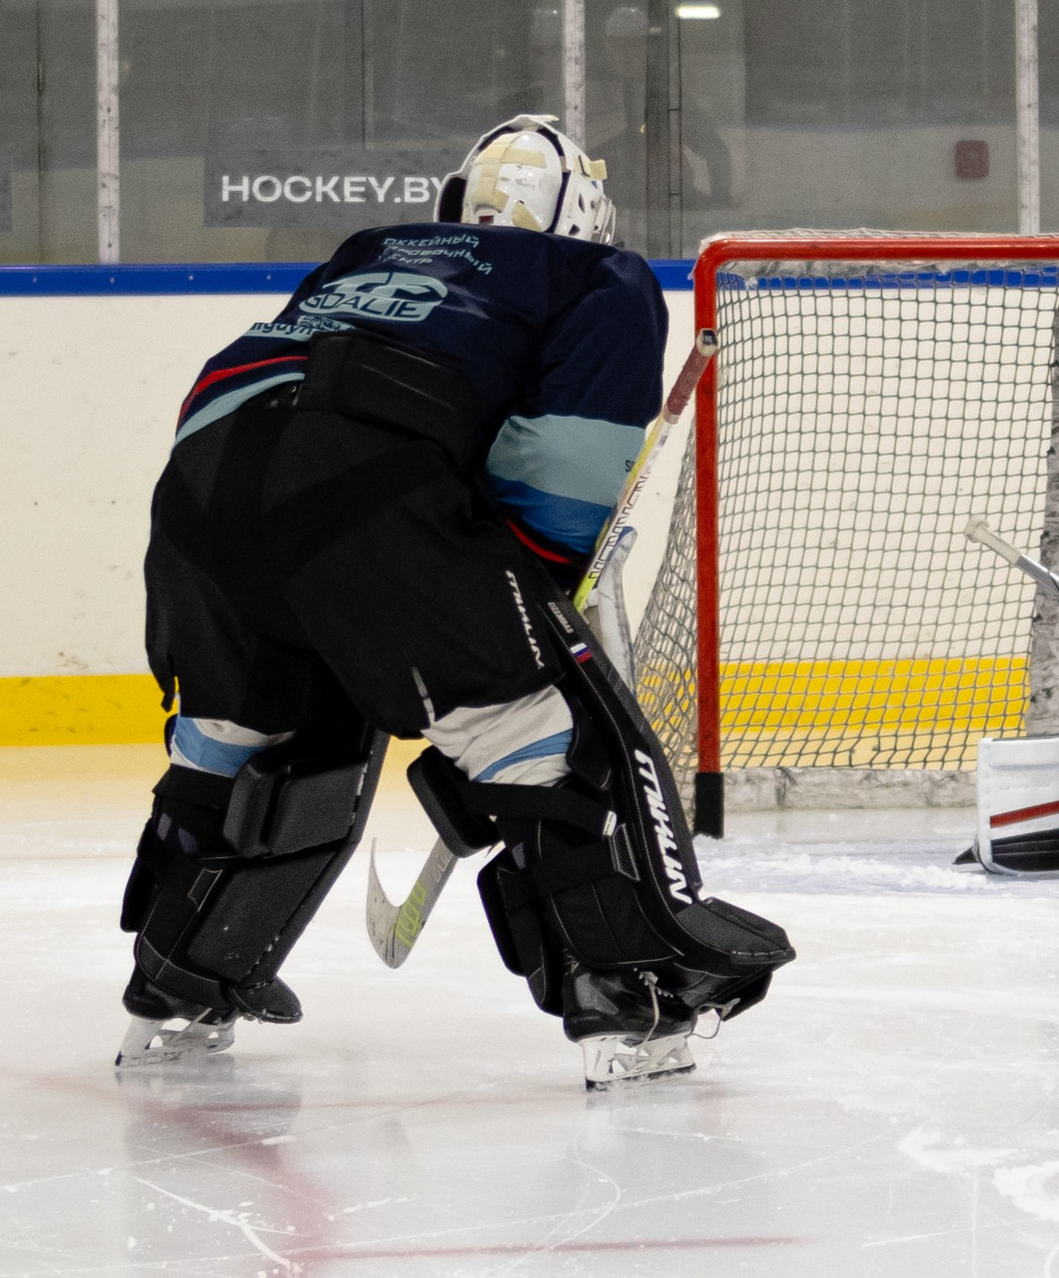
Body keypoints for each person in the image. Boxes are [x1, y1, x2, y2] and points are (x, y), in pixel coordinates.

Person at [117, 114, 793, 1083]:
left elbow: (285, 380)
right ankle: (626, 995)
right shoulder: (594, 276)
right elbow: (565, 467)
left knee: (241, 732)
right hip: (358, 476)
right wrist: (510, 598)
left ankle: (177, 977)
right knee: (541, 729)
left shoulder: (366, 253)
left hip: (204, 476)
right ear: (586, 217)